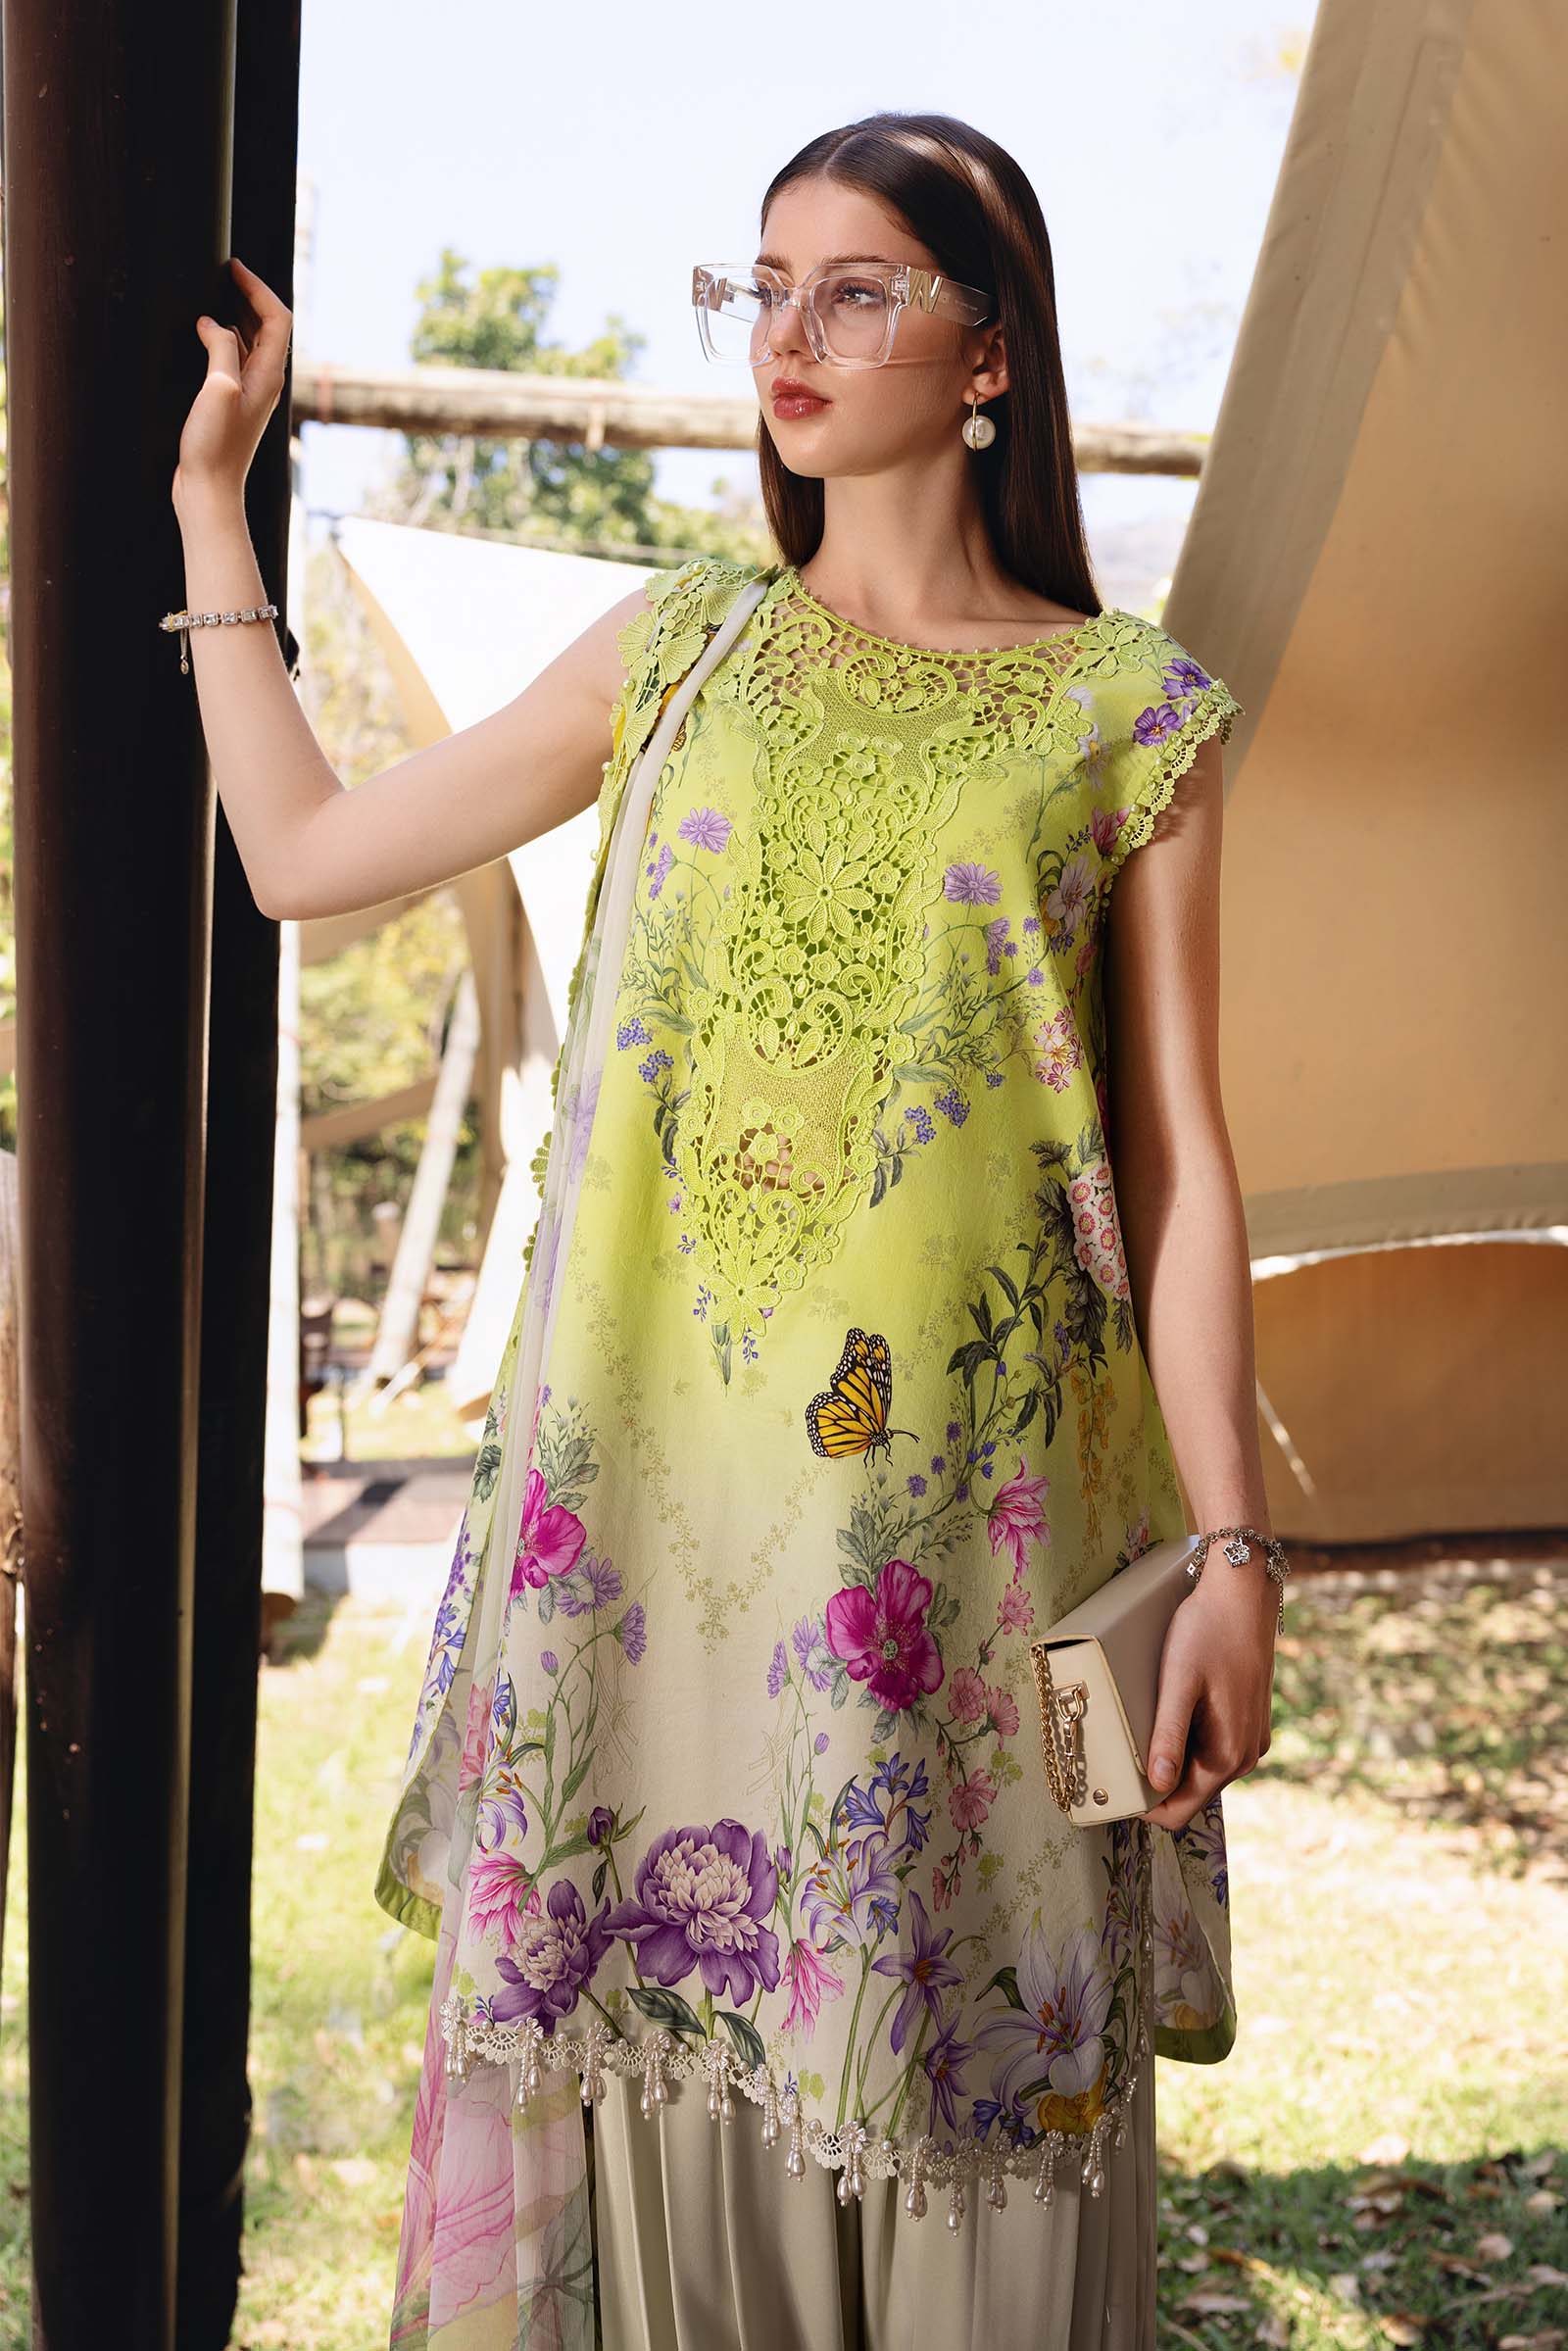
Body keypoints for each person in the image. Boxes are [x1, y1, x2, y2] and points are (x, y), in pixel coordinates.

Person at [173, 105, 1279, 2351]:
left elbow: (1174, 1166)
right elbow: (300, 856)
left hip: (963, 1564)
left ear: (988, 349)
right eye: (761, 288)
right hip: (654, 1561)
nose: (788, 335)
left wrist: (1239, 1553)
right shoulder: (674, 651)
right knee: (670, 2114)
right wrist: (215, 502)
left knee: (973, 2114)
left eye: (853, 289)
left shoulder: (1121, 714)